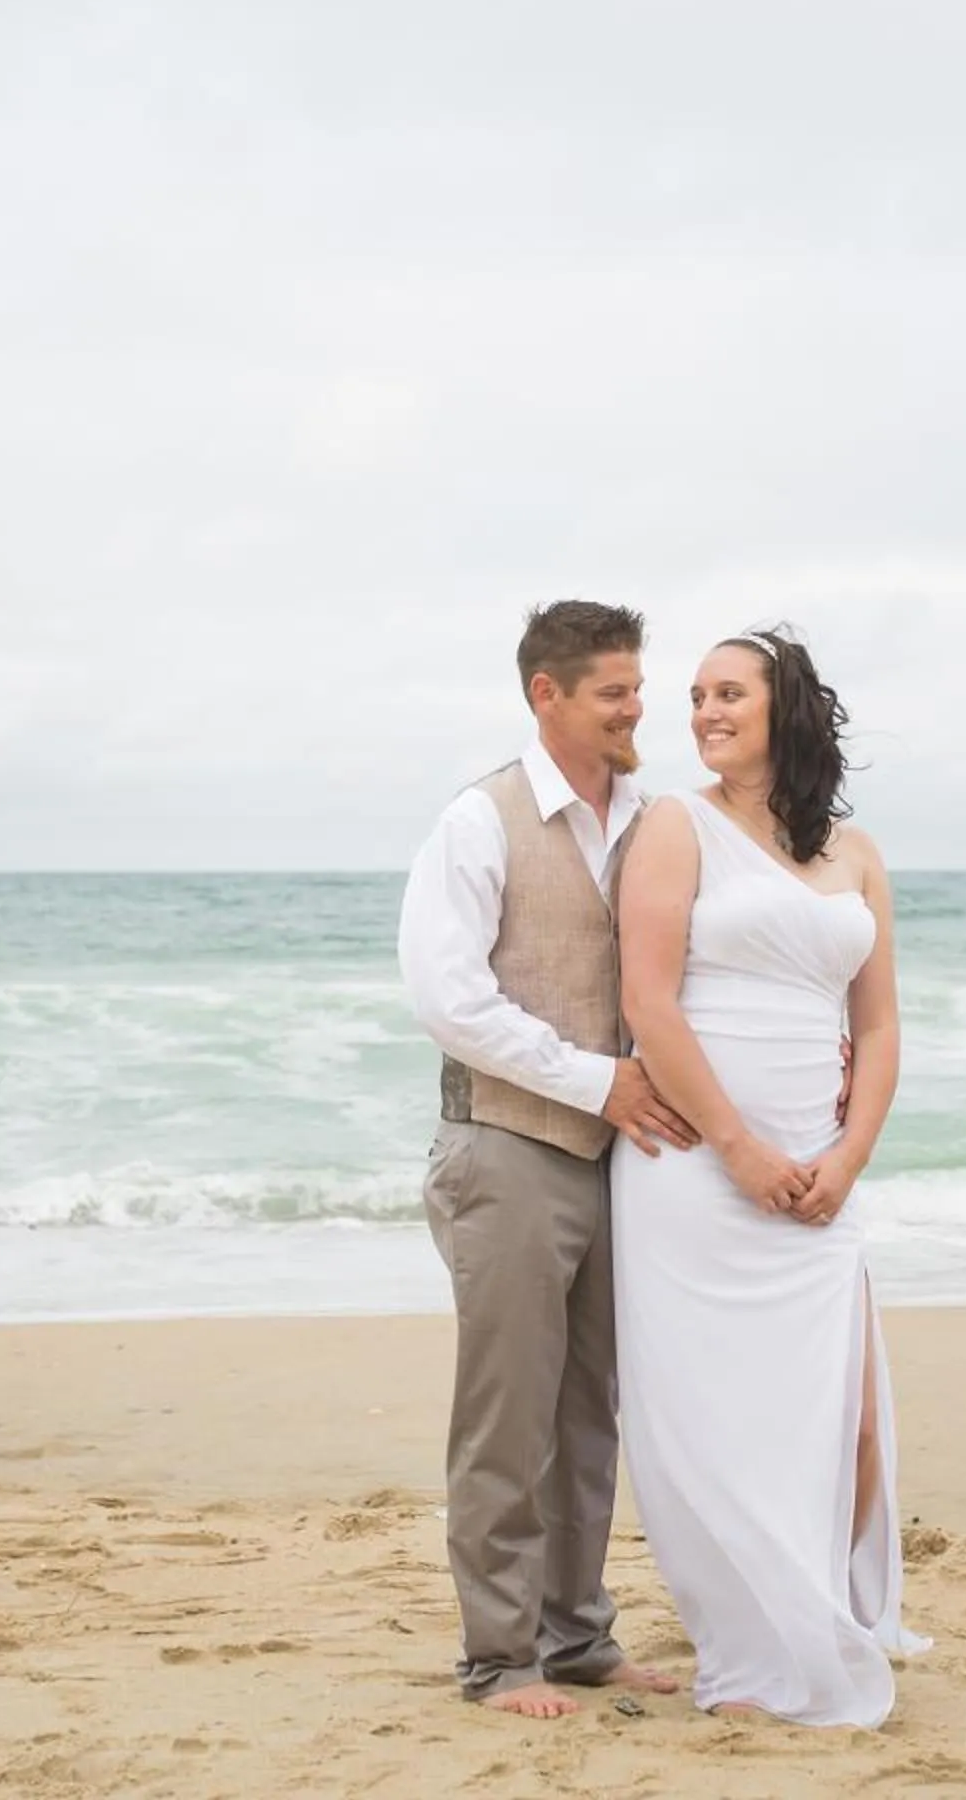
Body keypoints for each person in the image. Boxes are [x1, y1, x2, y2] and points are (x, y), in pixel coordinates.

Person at [609, 625, 929, 1726]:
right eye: (696, 695)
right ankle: (751, 1654)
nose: (704, 711)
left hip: (820, 1175)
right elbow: (648, 1001)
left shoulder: (858, 853)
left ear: (783, 706)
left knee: (850, 1422)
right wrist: (738, 1148)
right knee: (716, 1421)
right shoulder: (675, 823)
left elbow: (878, 1025)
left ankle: (824, 1614)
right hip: (699, 1170)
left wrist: (850, 1156)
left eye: (728, 693)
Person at [395, 600, 692, 1719]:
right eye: (614, 691)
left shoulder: (653, 821)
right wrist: (593, 1079)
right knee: (507, 1415)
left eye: (638, 687)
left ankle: (576, 1636)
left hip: (619, 1158)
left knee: (588, 1413)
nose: (636, 709)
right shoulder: (480, 819)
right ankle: (498, 1658)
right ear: (546, 695)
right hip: (506, 1148)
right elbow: (450, 1000)